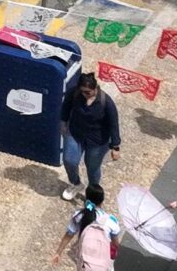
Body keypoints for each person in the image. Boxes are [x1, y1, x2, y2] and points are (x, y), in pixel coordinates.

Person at [59, 72, 121, 200]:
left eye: (88, 92)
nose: (85, 95)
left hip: (98, 140)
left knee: (92, 168)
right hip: (76, 133)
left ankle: (92, 193)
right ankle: (76, 183)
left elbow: (113, 124)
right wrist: (63, 124)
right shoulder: (74, 93)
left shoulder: (106, 102)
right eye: (82, 91)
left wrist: (115, 146)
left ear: (95, 88)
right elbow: (65, 107)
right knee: (69, 160)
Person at [50, 187, 117, 271]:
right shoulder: (111, 220)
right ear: (102, 200)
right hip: (103, 261)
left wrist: (58, 252)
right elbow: (115, 243)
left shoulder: (79, 216)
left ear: (87, 199)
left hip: (85, 260)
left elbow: (69, 234)